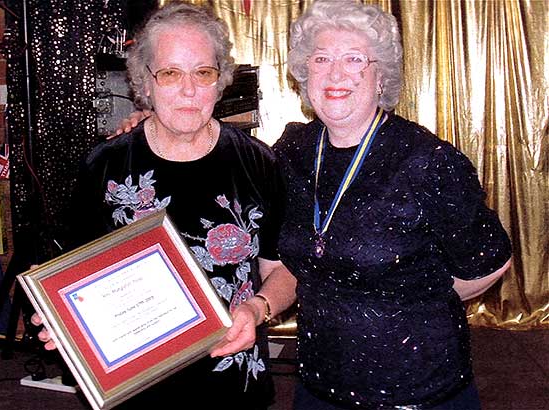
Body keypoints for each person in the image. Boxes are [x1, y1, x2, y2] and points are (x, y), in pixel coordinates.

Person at [31, 2, 296, 409]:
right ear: (145, 83)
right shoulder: (106, 164)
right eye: (170, 73)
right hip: (134, 385)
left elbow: (283, 271)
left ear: (220, 80)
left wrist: (258, 309)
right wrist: (60, 319)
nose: (188, 90)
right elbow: (73, 278)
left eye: (203, 73)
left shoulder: (259, 162)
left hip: (233, 383)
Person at [271, 1, 512, 409]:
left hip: (416, 389)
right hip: (318, 384)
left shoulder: (428, 161)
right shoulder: (292, 150)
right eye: (322, 58)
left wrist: (413, 301)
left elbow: (490, 263)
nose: (335, 72)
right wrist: (144, 125)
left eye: (354, 59)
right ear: (304, 72)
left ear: (381, 76)